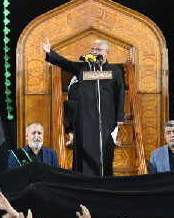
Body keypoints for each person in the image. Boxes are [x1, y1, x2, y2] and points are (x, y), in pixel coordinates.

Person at [41, 38, 124, 176]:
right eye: (93, 49)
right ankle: (85, 181)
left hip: (106, 119)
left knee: (105, 153)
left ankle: (104, 181)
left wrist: (120, 117)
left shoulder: (114, 72)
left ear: (107, 52)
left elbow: (120, 94)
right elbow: (66, 63)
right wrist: (50, 52)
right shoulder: (83, 69)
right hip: (85, 119)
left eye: (98, 49)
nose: (95, 52)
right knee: (85, 153)